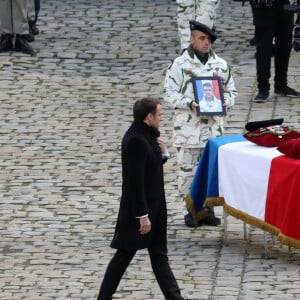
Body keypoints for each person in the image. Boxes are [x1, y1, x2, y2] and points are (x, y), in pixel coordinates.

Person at [97, 98, 187, 300]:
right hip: (140, 211)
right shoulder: (136, 140)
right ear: (149, 117)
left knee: (159, 256)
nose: (162, 118)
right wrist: (142, 215)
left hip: (154, 209)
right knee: (124, 255)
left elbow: (150, 168)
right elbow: (134, 182)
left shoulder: (146, 136)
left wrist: (163, 153)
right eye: (160, 114)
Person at [164, 21, 237, 227]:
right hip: (188, 129)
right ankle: (190, 212)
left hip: (213, 130)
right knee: (188, 172)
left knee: (211, 172)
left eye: (209, 39)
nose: (207, 43)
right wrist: (189, 103)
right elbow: (169, 94)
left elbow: (232, 91)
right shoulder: (179, 65)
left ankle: (207, 210)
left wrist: (225, 102)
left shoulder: (220, 65)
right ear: (192, 39)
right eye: (202, 38)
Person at [251, 0, 300, 102]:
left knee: (285, 45)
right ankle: (263, 89)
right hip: (263, 5)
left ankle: (281, 85)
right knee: (264, 48)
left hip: (284, 4)